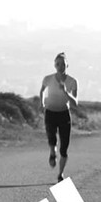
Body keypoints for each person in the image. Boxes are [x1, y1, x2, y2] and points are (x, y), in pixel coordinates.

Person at [39, 52, 79, 183]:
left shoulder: (72, 81)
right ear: (54, 65)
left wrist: (65, 92)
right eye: (57, 64)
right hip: (50, 113)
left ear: (67, 65)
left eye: (63, 64)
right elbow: (42, 91)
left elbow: (75, 103)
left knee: (64, 148)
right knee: (52, 139)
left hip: (64, 114)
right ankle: (52, 152)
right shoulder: (48, 79)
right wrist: (41, 103)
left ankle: (60, 174)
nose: (60, 66)